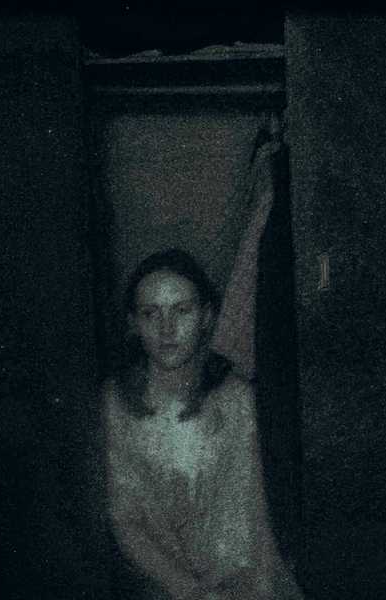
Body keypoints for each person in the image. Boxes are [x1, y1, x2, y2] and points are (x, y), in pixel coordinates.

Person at [102, 248, 303, 600]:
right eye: (151, 314)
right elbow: (124, 519)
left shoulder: (238, 400)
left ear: (206, 317)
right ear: (133, 323)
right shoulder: (115, 402)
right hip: (162, 587)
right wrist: (188, 591)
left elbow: (255, 525)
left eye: (182, 310)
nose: (167, 329)